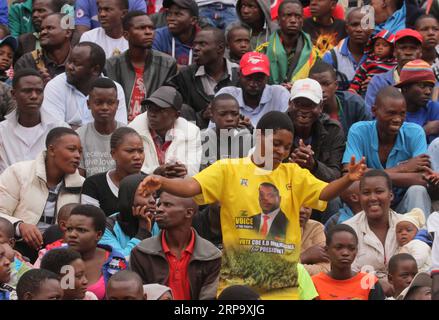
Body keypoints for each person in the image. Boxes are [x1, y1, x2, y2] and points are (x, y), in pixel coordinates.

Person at [136, 110, 367, 299]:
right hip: (236, 287)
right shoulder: (229, 169)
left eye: (287, 147)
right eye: (276, 143)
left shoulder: (294, 174)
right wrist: (162, 182)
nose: (281, 152)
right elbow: (191, 187)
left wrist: (347, 179)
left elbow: (325, 193)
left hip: (283, 290)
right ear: (258, 137)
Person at [343, 86, 431, 217]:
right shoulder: (359, 131)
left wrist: (368, 174)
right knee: (351, 187)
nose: (397, 119)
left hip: (402, 204)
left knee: (417, 190)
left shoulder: (415, 132)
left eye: (402, 113)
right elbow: (350, 174)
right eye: (391, 113)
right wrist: (404, 168)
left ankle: (419, 236)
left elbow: (423, 179)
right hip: (369, 204)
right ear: (374, 111)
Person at [0, 127, 84, 262]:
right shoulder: (19, 172)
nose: (77, 156)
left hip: (60, 248)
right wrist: (20, 226)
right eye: (71, 149)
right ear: (51, 150)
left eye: (80, 151)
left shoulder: (82, 185)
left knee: (55, 232)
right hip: (19, 244)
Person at [130, 191, 222, 300]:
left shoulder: (212, 256)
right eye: (159, 204)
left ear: (189, 213)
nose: (159, 209)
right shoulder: (141, 252)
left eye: (167, 205)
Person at [105, 11, 177, 122]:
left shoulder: (167, 64)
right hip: (119, 126)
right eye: (141, 28)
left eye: (151, 28)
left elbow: (170, 102)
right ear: (126, 35)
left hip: (154, 125)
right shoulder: (111, 66)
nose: (148, 32)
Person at [343, 170, 405, 296]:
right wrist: (373, 282)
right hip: (362, 295)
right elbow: (343, 273)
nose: (372, 198)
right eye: (366, 193)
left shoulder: (408, 226)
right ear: (359, 197)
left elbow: (422, 268)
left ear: (391, 195)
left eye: (379, 191)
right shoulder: (347, 230)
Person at [41, 42, 128, 128]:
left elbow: (118, 129)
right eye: (69, 62)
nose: (69, 67)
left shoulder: (113, 89)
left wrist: (72, 127)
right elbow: (55, 130)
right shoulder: (55, 86)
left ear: (95, 70)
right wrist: (96, 131)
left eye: (76, 64)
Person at [168, 27, 240, 129]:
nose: (196, 48)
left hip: (237, 134)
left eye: (202, 44)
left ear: (220, 48)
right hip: (197, 135)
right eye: (194, 44)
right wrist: (202, 116)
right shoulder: (186, 75)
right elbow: (180, 114)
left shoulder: (239, 74)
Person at [0, 69, 68, 173]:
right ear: (13, 94)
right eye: (27, 91)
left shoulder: (60, 130)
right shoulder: (2, 131)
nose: (34, 96)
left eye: (39, 91)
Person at [128, 86, 201, 177]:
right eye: (150, 108)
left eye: (160, 110)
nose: (152, 114)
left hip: (177, 188)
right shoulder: (132, 131)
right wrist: (155, 173)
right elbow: (128, 170)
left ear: (176, 115)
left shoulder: (191, 132)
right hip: (141, 187)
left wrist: (183, 171)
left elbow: (193, 172)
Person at [287, 78, 345, 183]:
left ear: (321, 107)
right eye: (299, 103)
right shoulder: (272, 125)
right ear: (289, 103)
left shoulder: (333, 130)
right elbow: (263, 170)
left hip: (318, 190)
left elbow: (336, 177)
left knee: (335, 199)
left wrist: (313, 165)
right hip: (281, 188)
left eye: (310, 105)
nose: (304, 110)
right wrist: (289, 166)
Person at [64, 204, 127, 299]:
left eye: (81, 230)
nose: (72, 234)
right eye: (69, 229)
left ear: (98, 235)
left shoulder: (116, 261)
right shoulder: (55, 258)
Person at [215, 51, 290, 127]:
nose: (253, 84)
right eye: (248, 78)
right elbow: (213, 132)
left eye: (259, 78)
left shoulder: (279, 94)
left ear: (267, 78)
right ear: (239, 75)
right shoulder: (227, 95)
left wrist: (251, 132)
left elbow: (283, 134)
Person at [81, 127, 144, 216]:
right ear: (113, 153)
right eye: (130, 151)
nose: (137, 157)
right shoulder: (94, 184)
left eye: (141, 151)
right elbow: (90, 223)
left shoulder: (152, 183)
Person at [312, 224, 385, 300]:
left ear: (356, 251)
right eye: (339, 247)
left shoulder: (368, 282)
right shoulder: (315, 283)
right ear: (327, 251)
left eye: (351, 248)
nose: (345, 253)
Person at [256, 0, 319, 87]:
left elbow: (316, 83)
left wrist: (297, 86)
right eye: (288, 15)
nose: (293, 20)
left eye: (298, 16)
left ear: (302, 21)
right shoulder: (262, 51)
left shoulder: (314, 54)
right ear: (278, 20)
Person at [365, 28, 423, 114]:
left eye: (413, 48)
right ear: (395, 52)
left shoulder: (430, 82)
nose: (408, 53)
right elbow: (369, 115)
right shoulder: (378, 82)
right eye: (403, 48)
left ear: (421, 53)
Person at [99, 173, 158, 258]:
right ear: (128, 198)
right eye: (145, 195)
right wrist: (143, 233)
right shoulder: (107, 227)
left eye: (154, 196)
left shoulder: (160, 223)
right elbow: (119, 262)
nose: (152, 201)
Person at [76, 78, 125, 177]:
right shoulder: (79, 136)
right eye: (98, 103)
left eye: (110, 103)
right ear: (88, 104)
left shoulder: (127, 135)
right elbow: (78, 178)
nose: (105, 107)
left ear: (117, 104)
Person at [309, 61, 371, 136]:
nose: (321, 90)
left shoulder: (355, 104)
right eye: (316, 85)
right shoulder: (305, 109)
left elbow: (368, 135)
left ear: (336, 85)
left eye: (326, 84)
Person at [14, 13, 73, 85]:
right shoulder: (27, 61)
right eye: (41, 29)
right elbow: (18, 93)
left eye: (50, 28)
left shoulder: (80, 62)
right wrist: (37, 85)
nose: (43, 32)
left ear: (68, 32)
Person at [201, 93, 253, 170]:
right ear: (212, 117)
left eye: (235, 114)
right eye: (223, 114)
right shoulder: (202, 140)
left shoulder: (249, 140)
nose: (229, 118)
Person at [322, 7, 371, 83]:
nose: (359, 29)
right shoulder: (331, 57)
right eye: (354, 25)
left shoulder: (381, 54)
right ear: (347, 28)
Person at [396, 59, 439, 144]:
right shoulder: (393, 113)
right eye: (422, 86)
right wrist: (425, 130)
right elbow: (397, 147)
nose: (428, 92)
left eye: (430, 87)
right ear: (405, 88)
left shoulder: (434, 108)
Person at [349, 30, 398, 97]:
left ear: (392, 49)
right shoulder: (369, 62)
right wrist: (353, 89)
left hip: (387, 94)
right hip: (366, 92)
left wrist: (374, 82)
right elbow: (358, 76)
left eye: (385, 45)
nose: (380, 48)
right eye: (377, 45)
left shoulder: (395, 64)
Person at [152, 0, 201, 67]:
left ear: (193, 20)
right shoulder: (157, 36)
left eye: (178, 14)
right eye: (169, 14)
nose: (171, 18)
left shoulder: (204, 40)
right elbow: (154, 66)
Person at [74, 0, 146, 40]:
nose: (102, 14)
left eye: (107, 9)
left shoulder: (137, 1)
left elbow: (139, 31)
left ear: (124, 13)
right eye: (99, 9)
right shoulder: (89, 37)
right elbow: (81, 31)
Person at [300, 207, 330, 276]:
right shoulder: (272, 228)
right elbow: (275, 270)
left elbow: (324, 270)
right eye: (296, 204)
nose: (302, 210)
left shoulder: (315, 228)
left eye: (307, 206)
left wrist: (290, 266)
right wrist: (303, 257)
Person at [415, 14, 439, 81]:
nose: (431, 33)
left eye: (435, 29)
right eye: (424, 29)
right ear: (415, 33)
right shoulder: (409, 58)